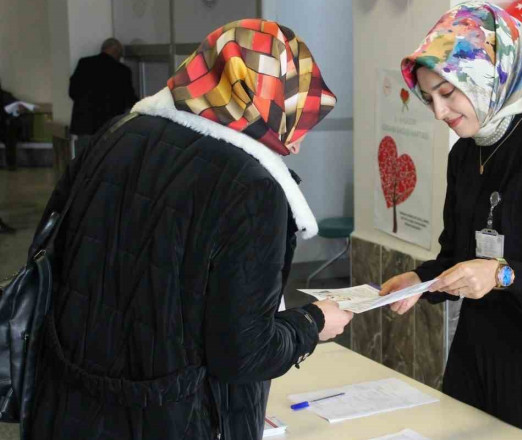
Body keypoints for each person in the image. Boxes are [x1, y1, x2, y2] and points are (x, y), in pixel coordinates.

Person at [30, 19, 351, 440]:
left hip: (67, 400)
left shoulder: (116, 133)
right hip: (169, 417)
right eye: (300, 113)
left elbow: (48, 258)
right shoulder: (252, 187)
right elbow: (243, 352)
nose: (299, 137)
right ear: (273, 98)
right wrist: (312, 323)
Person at [382, 3, 522, 439]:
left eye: (448, 93)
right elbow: (456, 256)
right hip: (474, 351)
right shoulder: (464, 154)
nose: (440, 112)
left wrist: (502, 275)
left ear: (485, 77)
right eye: (429, 99)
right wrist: (419, 281)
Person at [69, 38, 138, 138]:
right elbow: (128, 99)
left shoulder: (84, 64)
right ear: (116, 51)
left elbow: (73, 92)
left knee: (85, 153)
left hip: (84, 125)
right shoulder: (122, 71)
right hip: (109, 127)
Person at [1, 78, 27, 171]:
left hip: (4, 128)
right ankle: (11, 164)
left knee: (10, 136)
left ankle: (11, 164)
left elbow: (19, 106)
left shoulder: (5, 96)